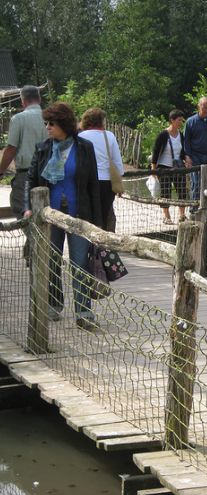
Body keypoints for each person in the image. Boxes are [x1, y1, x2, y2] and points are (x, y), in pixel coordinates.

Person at [23, 102, 103, 331]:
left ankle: (84, 312)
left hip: (79, 216)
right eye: (46, 123)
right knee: (52, 261)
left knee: (80, 263)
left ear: (64, 124)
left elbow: (93, 185)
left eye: (52, 123)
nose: (47, 127)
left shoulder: (84, 147)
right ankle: (54, 305)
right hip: (50, 215)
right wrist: (28, 207)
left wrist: (98, 223)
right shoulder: (43, 148)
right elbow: (31, 180)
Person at [0, 85, 47, 217]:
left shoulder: (18, 119)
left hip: (26, 174)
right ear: (39, 99)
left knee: (22, 210)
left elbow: (11, 149)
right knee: (45, 211)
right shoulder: (50, 117)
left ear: (23, 101)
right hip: (49, 174)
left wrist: (1, 171)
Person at [79, 107, 124, 231]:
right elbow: (117, 163)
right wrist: (119, 182)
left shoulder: (80, 137)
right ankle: (102, 241)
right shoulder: (109, 136)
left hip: (86, 182)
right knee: (104, 215)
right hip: (106, 182)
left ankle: (90, 241)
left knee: (88, 216)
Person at [151, 109, 187, 224]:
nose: (181, 122)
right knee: (166, 191)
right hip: (164, 167)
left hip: (178, 167)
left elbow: (183, 151)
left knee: (182, 191)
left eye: (182, 120)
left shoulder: (181, 135)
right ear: (172, 120)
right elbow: (156, 151)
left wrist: (186, 159)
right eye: (179, 120)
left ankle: (182, 215)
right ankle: (167, 217)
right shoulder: (163, 135)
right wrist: (153, 169)